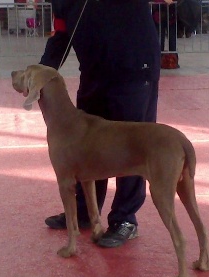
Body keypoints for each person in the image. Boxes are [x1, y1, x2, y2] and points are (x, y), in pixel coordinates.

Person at [40, 0, 161, 248]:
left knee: (132, 146)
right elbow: (62, 36)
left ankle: (124, 219)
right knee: (88, 145)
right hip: (94, 72)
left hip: (135, 67)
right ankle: (85, 214)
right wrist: (41, 72)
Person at [152, 0, 179, 69]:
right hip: (160, 13)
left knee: (170, 38)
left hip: (169, 13)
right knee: (160, 39)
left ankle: (173, 60)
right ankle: (160, 61)